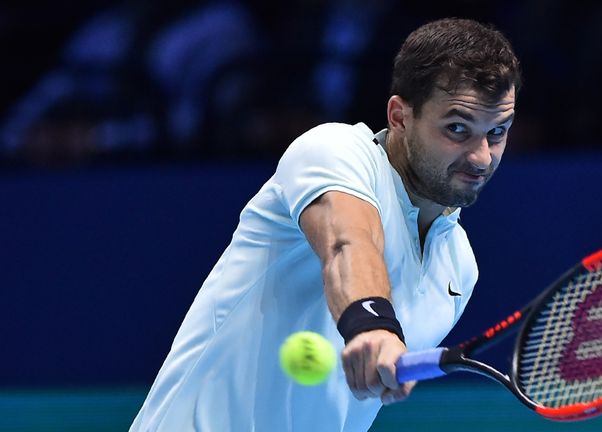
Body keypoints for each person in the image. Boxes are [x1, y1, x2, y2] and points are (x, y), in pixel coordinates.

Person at [130, 17, 521, 431]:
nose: (481, 156)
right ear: (401, 116)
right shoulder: (334, 151)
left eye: (497, 132)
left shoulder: (458, 269)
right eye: (457, 129)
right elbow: (347, 242)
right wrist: (372, 325)